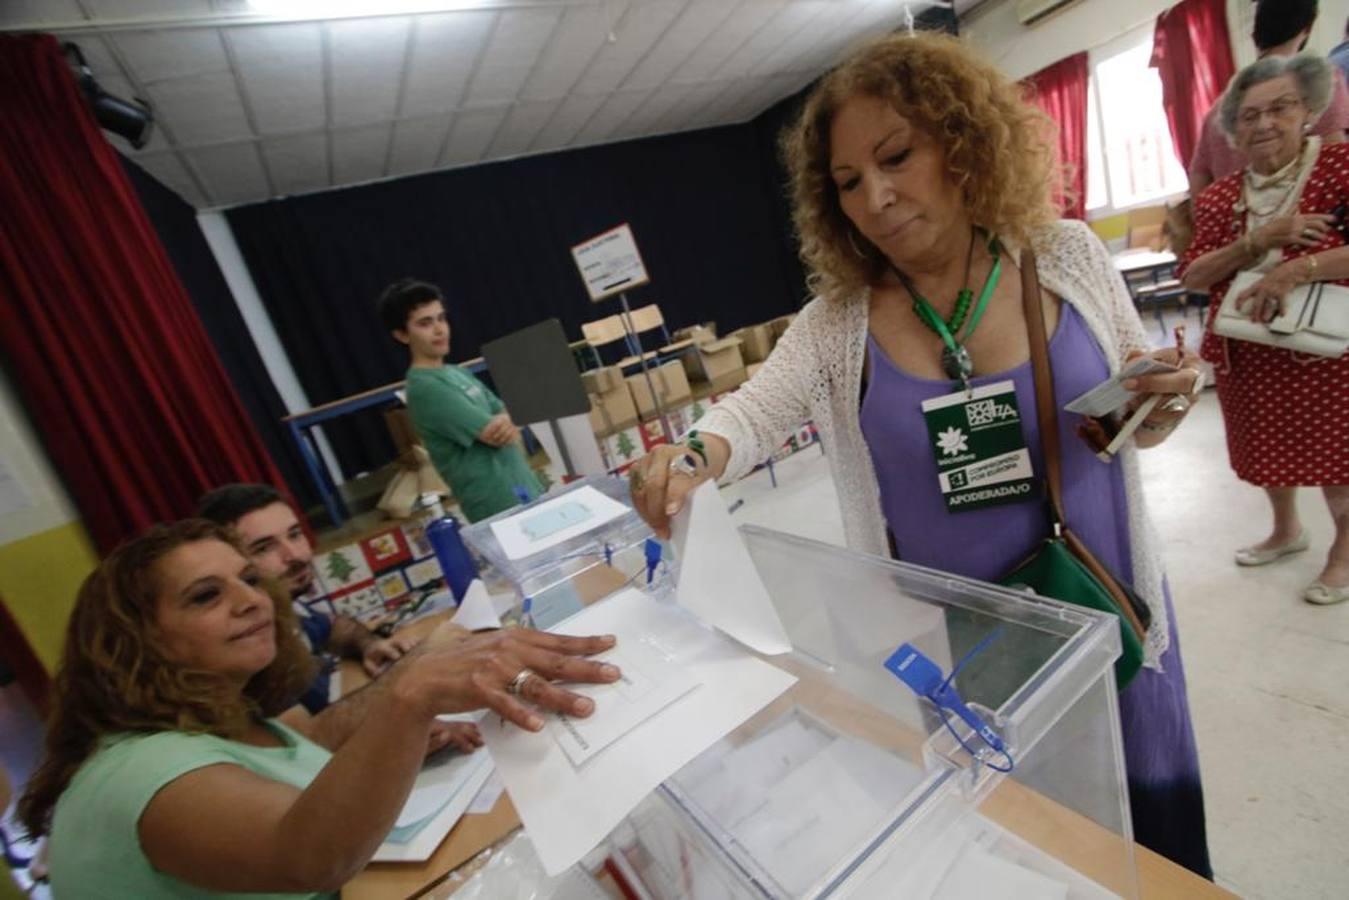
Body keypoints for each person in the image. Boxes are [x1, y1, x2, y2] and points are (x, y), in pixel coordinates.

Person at [628, 32, 1212, 877]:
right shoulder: (836, 327)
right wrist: (690, 455)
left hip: (1108, 615)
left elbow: (1137, 402)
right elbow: (749, 413)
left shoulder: (1065, 257)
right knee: (1021, 865)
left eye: (897, 156)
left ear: (962, 143)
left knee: (1159, 854)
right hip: (966, 663)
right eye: (848, 182)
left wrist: (1159, 402)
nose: (877, 196)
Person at [17, 519, 620, 896]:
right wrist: (408, 698)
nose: (250, 600)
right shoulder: (139, 771)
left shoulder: (233, 721)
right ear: (135, 640)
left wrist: (402, 730)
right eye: (206, 596)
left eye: (251, 580)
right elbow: (306, 858)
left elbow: (316, 765)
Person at [1179, 54, 1349, 605]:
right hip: (1245, 351)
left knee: (1337, 452)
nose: (1265, 124)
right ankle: (1286, 530)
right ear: (1233, 129)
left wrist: (1294, 269)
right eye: (1249, 116)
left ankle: (1345, 552)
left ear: (1309, 110)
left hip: (1324, 347)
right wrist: (1259, 239)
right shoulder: (1219, 196)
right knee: (1268, 450)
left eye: (1281, 108)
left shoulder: (1340, 165)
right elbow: (1196, 276)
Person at [196, 484, 409, 713]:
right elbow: (313, 735)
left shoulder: (287, 605)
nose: (295, 555)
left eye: (295, 534)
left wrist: (369, 644)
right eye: (264, 548)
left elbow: (333, 628)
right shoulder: (249, 646)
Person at [377, 279, 542, 523]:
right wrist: (509, 418)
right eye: (425, 323)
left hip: (526, 490)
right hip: (497, 508)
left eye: (441, 318)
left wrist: (510, 416)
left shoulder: (457, 372)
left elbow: (511, 412)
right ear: (402, 335)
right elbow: (495, 433)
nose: (439, 329)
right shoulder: (425, 388)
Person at [1189, 0, 1348, 194]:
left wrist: (1212, 221)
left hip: (1240, 220)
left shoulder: (1219, 110)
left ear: (1255, 34)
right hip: (1306, 219)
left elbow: (1198, 180)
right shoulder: (1317, 82)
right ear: (1306, 29)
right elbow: (1338, 165)